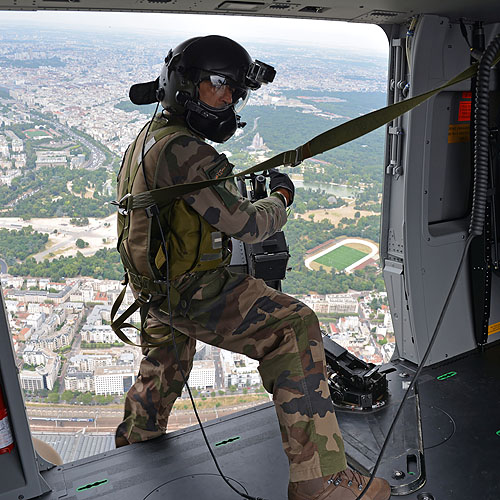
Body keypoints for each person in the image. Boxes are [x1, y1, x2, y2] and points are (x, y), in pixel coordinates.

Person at [113, 35, 391, 500]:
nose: (226, 99)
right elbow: (248, 225)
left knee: (163, 367)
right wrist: (280, 197)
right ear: (185, 84)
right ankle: (320, 483)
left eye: (234, 91)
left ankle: (129, 453)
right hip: (192, 289)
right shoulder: (187, 151)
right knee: (295, 326)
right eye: (217, 84)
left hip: (155, 290)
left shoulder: (149, 138)